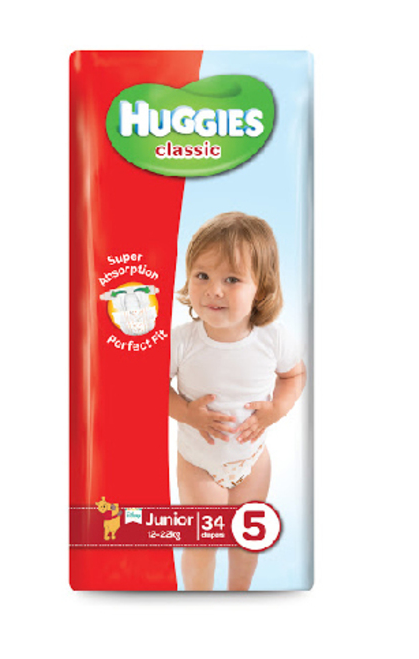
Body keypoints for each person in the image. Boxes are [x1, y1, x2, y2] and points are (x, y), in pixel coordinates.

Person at [169, 212, 306, 590]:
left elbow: (295, 375)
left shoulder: (272, 338)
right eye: (202, 275)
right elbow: (149, 388)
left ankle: (238, 595)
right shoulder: (183, 341)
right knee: (202, 544)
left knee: (247, 539)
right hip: (200, 465)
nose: (214, 290)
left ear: (260, 289)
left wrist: (276, 410)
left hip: (253, 460)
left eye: (231, 279)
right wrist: (187, 413)